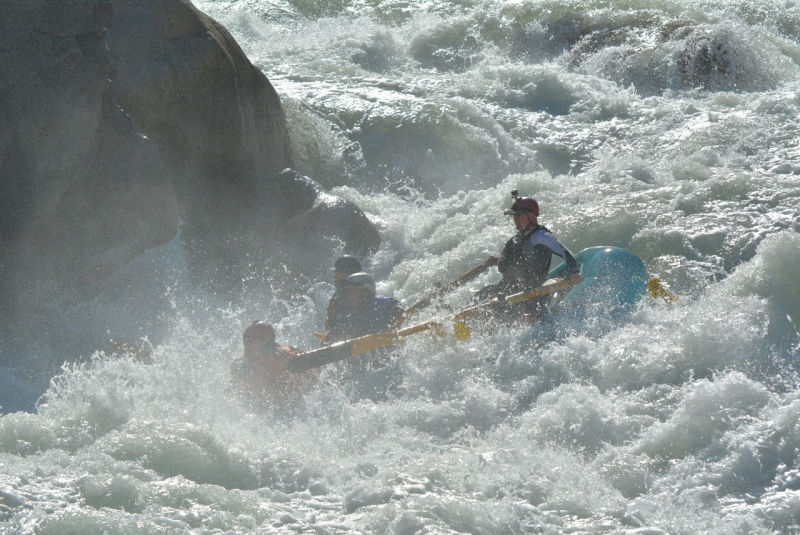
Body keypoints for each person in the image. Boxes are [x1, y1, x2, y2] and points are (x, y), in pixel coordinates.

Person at [478, 190, 580, 318]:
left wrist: (574, 273)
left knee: (504, 312)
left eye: (520, 216)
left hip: (530, 290)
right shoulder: (518, 239)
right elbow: (516, 262)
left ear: (531, 216)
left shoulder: (542, 236)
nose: (516, 219)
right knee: (481, 295)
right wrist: (497, 260)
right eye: (515, 216)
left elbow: (567, 254)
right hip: (509, 286)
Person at [230, 320, 317, 408]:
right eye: (252, 338)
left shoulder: (280, 355)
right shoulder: (240, 366)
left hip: (288, 405)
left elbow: (315, 365)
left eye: (257, 338)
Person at [322, 272, 405, 344]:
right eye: (348, 292)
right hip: (365, 350)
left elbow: (399, 309)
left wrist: (391, 331)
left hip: (386, 347)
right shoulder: (352, 312)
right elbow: (339, 329)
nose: (349, 295)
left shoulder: (378, 302)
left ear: (365, 292)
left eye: (352, 292)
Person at [322, 255, 362, 336]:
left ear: (352, 274)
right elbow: (329, 324)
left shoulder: (362, 292)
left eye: (341, 273)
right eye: (336, 273)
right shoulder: (337, 296)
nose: (336, 277)